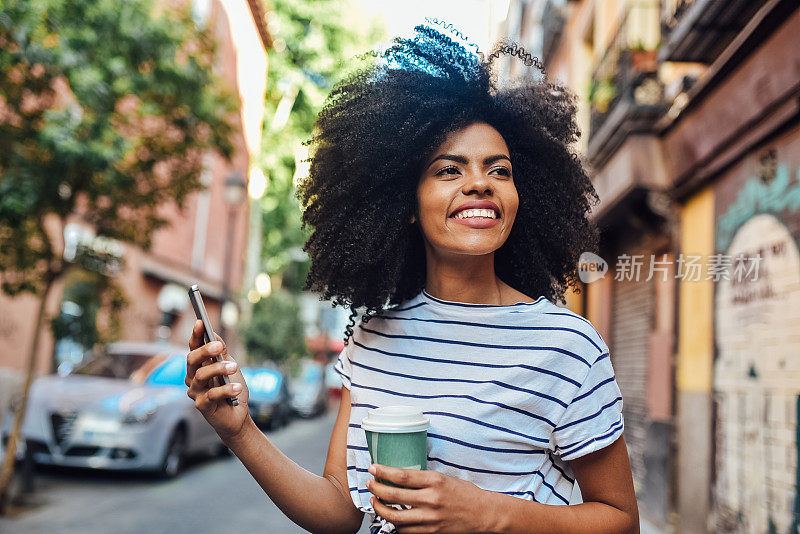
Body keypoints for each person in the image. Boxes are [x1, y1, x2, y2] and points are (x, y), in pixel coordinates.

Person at [185, 22, 639, 534]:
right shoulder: (373, 338)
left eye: (500, 170)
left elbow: (621, 520)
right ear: (404, 205)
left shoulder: (568, 345)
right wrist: (240, 431)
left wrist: (487, 513)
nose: (479, 184)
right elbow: (340, 510)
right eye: (449, 170)